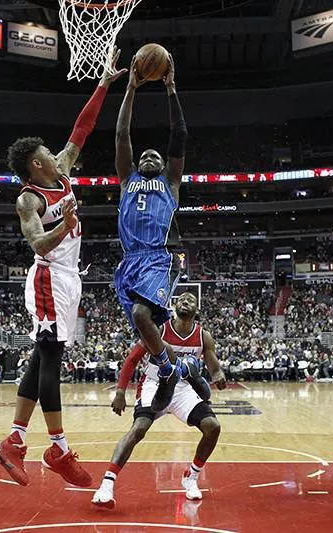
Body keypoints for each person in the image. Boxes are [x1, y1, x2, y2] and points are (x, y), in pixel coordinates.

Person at [0, 49, 126, 488]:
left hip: (68, 279)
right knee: (52, 360)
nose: (56, 151)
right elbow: (36, 243)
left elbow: (82, 128)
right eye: (47, 150)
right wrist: (65, 226)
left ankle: (15, 438)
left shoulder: (64, 171)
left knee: (39, 357)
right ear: (36, 163)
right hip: (49, 276)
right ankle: (58, 448)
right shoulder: (28, 199)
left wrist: (104, 82)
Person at [114, 52, 203, 412]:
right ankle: (175, 367)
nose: (149, 157)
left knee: (140, 315)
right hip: (129, 263)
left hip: (161, 256)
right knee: (143, 327)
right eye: (144, 156)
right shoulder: (126, 181)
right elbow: (122, 132)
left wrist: (170, 89)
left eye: (156, 155)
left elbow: (179, 134)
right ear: (136, 164)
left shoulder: (170, 182)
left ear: (165, 165)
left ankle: (167, 370)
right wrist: (131, 89)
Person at [92, 293, 226, 509]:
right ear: (174, 305)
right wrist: (119, 392)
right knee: (139, 429)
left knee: (213, 427)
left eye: (190, 300)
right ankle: (107, 484)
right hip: (155, 382)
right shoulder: (159, 329)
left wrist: (218, 376)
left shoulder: (204, 336)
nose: (185, 301)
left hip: (182, 387)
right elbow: (132, 359)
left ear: (196, 308)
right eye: (181, 299)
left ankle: (190, 476)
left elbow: (215, 368)